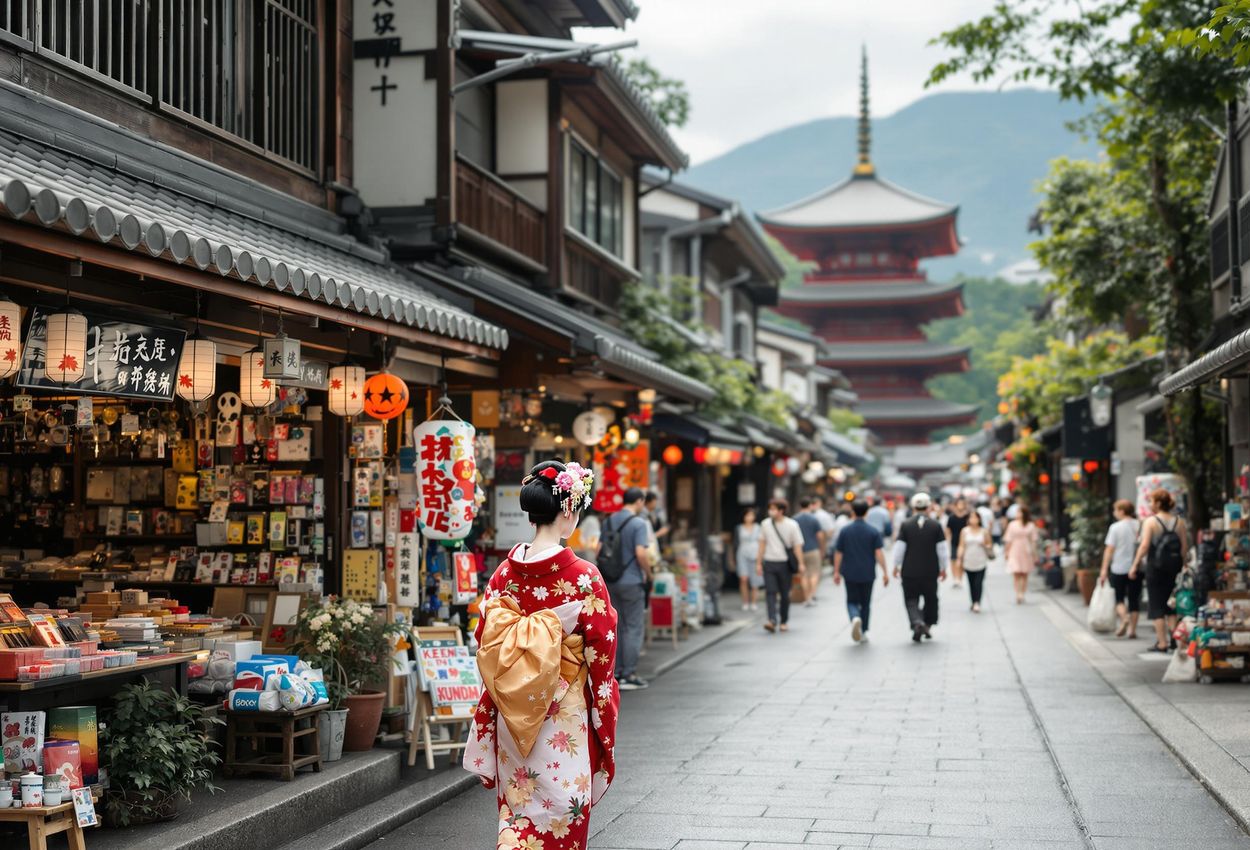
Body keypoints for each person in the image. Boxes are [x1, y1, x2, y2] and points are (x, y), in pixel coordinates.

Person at [464, 460, 619, 850]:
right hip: (562, 711)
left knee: (518, 810)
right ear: (568, 510)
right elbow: (602, 651)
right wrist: (604, 708)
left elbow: (486, 640)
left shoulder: (502, 574)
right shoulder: (584, 576)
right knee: (565, 808)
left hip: (515, 711)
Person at [600, 487, 653, 690]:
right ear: (639, 501)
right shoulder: (639, 524)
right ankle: (629, 673)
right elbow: (641, 552)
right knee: (633, 626)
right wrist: (648, 573)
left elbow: (599, 549)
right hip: (631, 580)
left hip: (611, 579)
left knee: (618, 626)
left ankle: (617, 671)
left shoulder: (609, 521)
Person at [1130, 488, 1189, 653]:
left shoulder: (1151, 522)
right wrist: (1183, 565)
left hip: (1155, 568)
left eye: (1151, 501)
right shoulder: (1180, 522)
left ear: (1157, 503)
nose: (1149, 504)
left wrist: (1135, 564)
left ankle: (1162, 643)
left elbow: (1144, 546)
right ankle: (1173, 639)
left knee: (1157, 604)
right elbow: (1184, 547)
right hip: (1175, 568)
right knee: (1172, 604)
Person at [892, 492, 949, 642]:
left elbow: (899, 548)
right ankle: (927, 624)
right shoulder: (936, 525)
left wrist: (896, 565)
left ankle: (917, 621)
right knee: (931, 599)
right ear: (929, 506)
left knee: (911, 599)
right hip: (930, 570)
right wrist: (944, 567)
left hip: (910, 570)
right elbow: (942, 549)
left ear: (913, 507)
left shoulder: (906, 525)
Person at [832, 499, 890, 643]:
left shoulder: (845, 531)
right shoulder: (873, 531)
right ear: (867, 512)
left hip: (849, 571)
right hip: (867, 572)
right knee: (866, 602)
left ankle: (854, 617)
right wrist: (885, 572)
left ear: (852, 511)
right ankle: (863, 630)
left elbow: (839, 552)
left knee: (851, 600)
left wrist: (836, 571)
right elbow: (879, 553)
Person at [756, 498, 805, 633]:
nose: (771, 512)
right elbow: (761, 544)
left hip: (785, 563)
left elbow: (797, 546)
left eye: (774, 509)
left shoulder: (792, 525)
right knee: (770, 592)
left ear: (781, 510)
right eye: (770, 509)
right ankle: (771, 619)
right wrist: (758, 563)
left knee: (785, 594)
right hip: (769, 561)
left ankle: (783, 621)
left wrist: (801, 563)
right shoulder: (765, 524)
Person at [1099, 499, 1142, 639]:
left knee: (1119, 598)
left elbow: (1109, 550)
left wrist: (1104, 569)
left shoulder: (1115, 527)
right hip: (1137, 567)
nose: (1114, 513)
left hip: (1119, 567)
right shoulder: (1140, 525)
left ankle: (1124, 618)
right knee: (1134, 599)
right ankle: (1132, 631)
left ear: (1122, 511)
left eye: (1116, 510)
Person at [955, 509, 992, 612]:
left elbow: (989, 545)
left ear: (979, 519)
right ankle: (973, 601)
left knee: (978, 582)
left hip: (981, 560)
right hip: (968, 560)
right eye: (971, 517)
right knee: (971, 583)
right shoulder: (964, 531)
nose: (973, 520)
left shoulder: (984, 531)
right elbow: (961, 545)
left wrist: (984, 545)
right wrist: (959, 558)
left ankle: (977, 602)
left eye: (975, 517)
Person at [1003, 505, 1038, 604]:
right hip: (1015, 549)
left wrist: (1035, 554)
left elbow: (1033, 540)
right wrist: (1006, 551)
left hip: (1026, 550)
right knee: (1016, 572)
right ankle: (1018, 593)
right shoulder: (1012, 524)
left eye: (1020, 512)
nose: (1018, 514)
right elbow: (1008, 539)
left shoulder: (1030, 525)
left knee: (1024, 573)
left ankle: (1022, 592)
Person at [795, 498, 827, 606]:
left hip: (799, 550)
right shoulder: (814, 519)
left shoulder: (794, 519)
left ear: (799, 506)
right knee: (814, 574)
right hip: (813, 549)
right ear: (809, 506)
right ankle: (811, 596)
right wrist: (822, 549)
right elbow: (820, 536)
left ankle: (806, 596)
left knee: (803, 575)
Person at [734, 508, 764, 611]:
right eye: (747, 515)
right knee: (743, 579)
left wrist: (761, 557)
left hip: (755, 554)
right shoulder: (739, 528)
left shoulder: (758, 527)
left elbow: (761, 543)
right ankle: (745, 602)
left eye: (751, 515)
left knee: (755, 580)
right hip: (742, 554)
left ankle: (754, 602)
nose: (749, 518)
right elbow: (735, 543)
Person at [945, 498, 970, 589]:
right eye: (959, 504)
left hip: (964, 542)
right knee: (953, 560)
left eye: (962, 504)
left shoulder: (967, 517)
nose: (960, 506)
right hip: (954, 541)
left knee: (962, 560)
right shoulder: (951, 517)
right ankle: (955, 578)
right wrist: (947, 540)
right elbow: (948, 530)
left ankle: (960, 578)